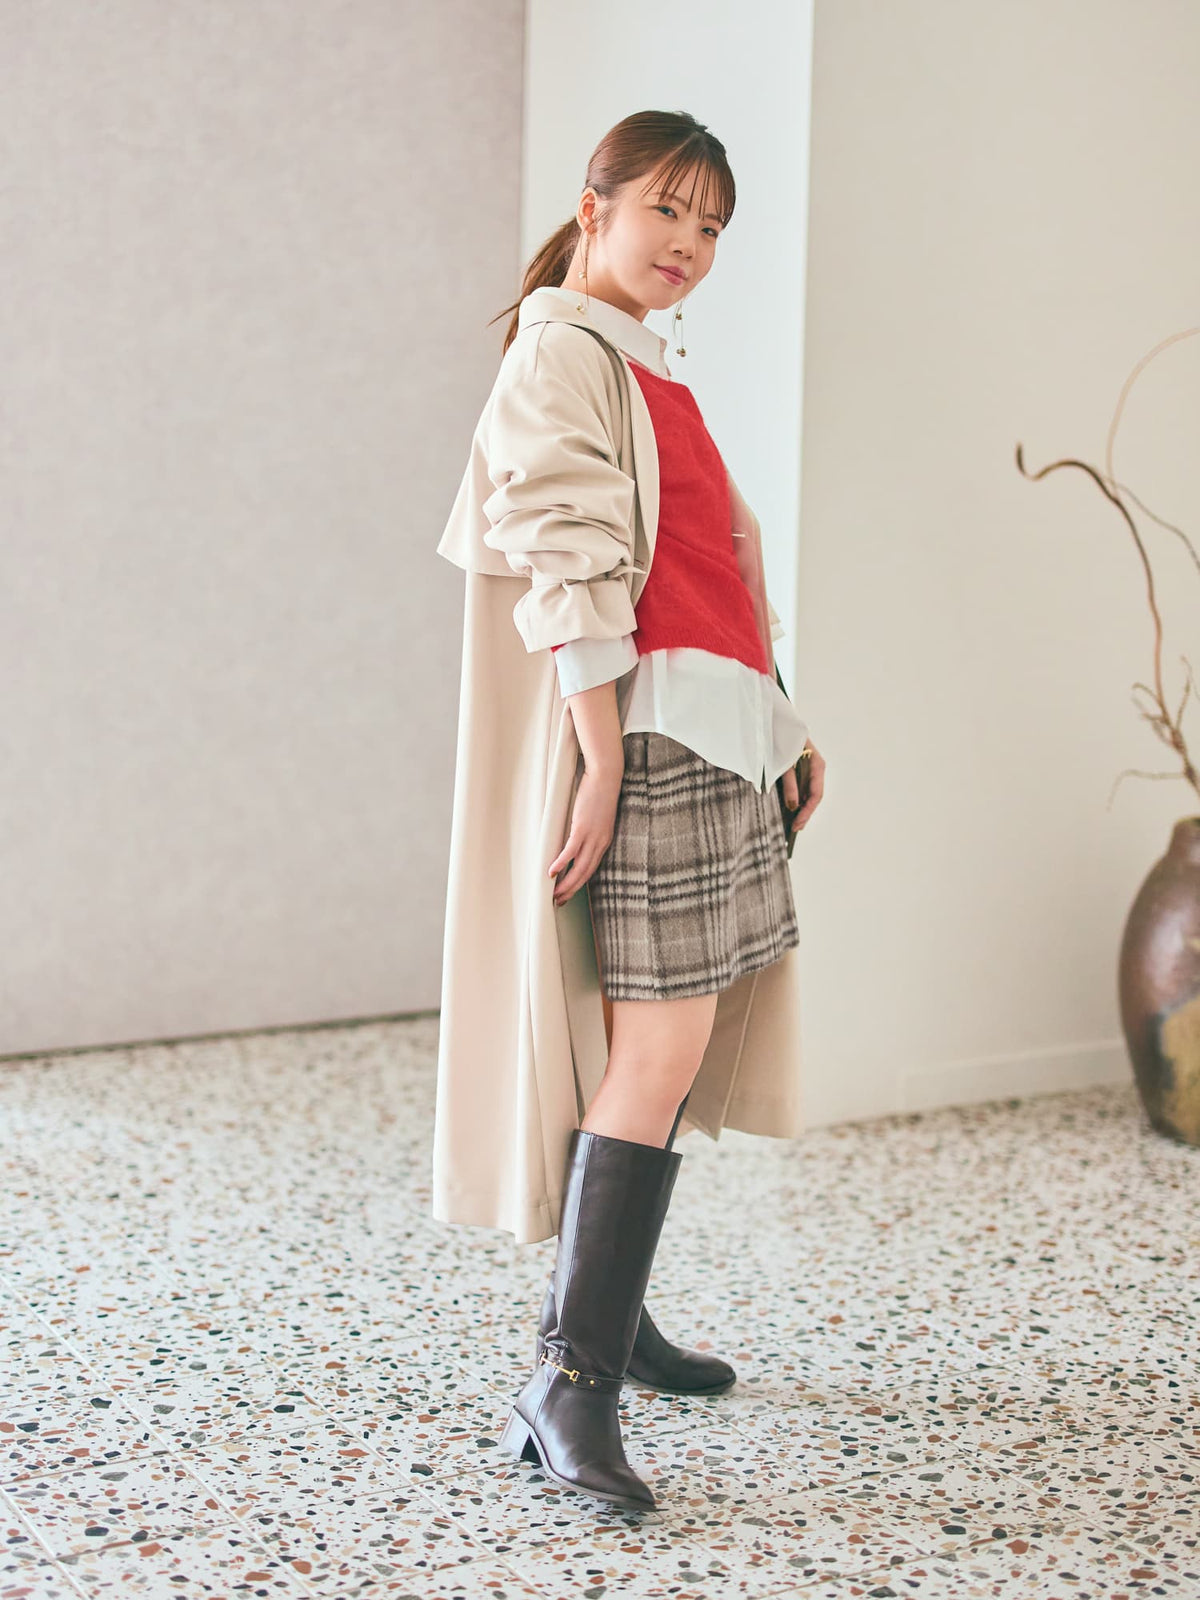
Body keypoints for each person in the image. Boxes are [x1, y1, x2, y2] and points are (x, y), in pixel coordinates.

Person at [433, 108, 826, 1512]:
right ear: (594, 206)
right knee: (655, 1046)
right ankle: (570, 1379)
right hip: (648, 734)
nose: (690, 243)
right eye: (668, 208)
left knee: (659, 1040)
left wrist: (782, 719)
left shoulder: (643, 361)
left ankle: (613, 1313)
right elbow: (571, 569)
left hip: (715, 729)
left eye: (712, 225)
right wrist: (599, 758)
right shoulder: (561, 354)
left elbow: (712, 569)